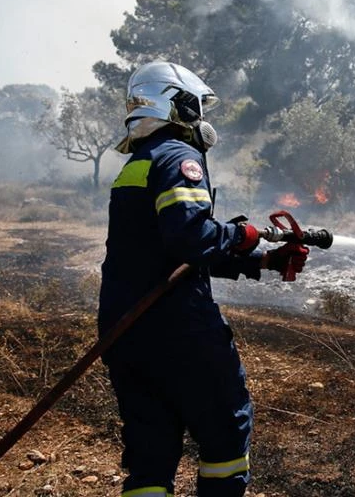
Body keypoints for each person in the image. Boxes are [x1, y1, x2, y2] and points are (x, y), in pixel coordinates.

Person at [98, 61, 309, 497]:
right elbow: (191, 238)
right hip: (178, 329)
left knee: (150, 453)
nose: (201, 117)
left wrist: (263, 262)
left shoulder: (139, 162)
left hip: (126, 331)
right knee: (225, 435)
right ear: (178, 105)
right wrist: (243, 233)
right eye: (196, 105)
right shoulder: (179, 157)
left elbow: (170, 254)